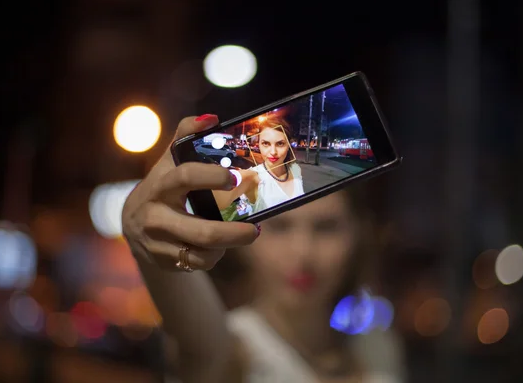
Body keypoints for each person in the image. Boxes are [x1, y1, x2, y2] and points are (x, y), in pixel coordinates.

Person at [122, 114, 405, 383]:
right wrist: (143, 234)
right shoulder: (232, 347)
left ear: (358, 235)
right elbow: (199, 344)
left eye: (326, 227)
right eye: (280, 228)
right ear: (244, 240)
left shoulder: (376, 345)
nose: (302, 253)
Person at [212, 115, 304, 217]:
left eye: (280, 144)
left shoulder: (295, 169)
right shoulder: (254, 177)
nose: (273, 152)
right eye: (265, 143)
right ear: (259, 144)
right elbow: (220, 198)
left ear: (288, 146)